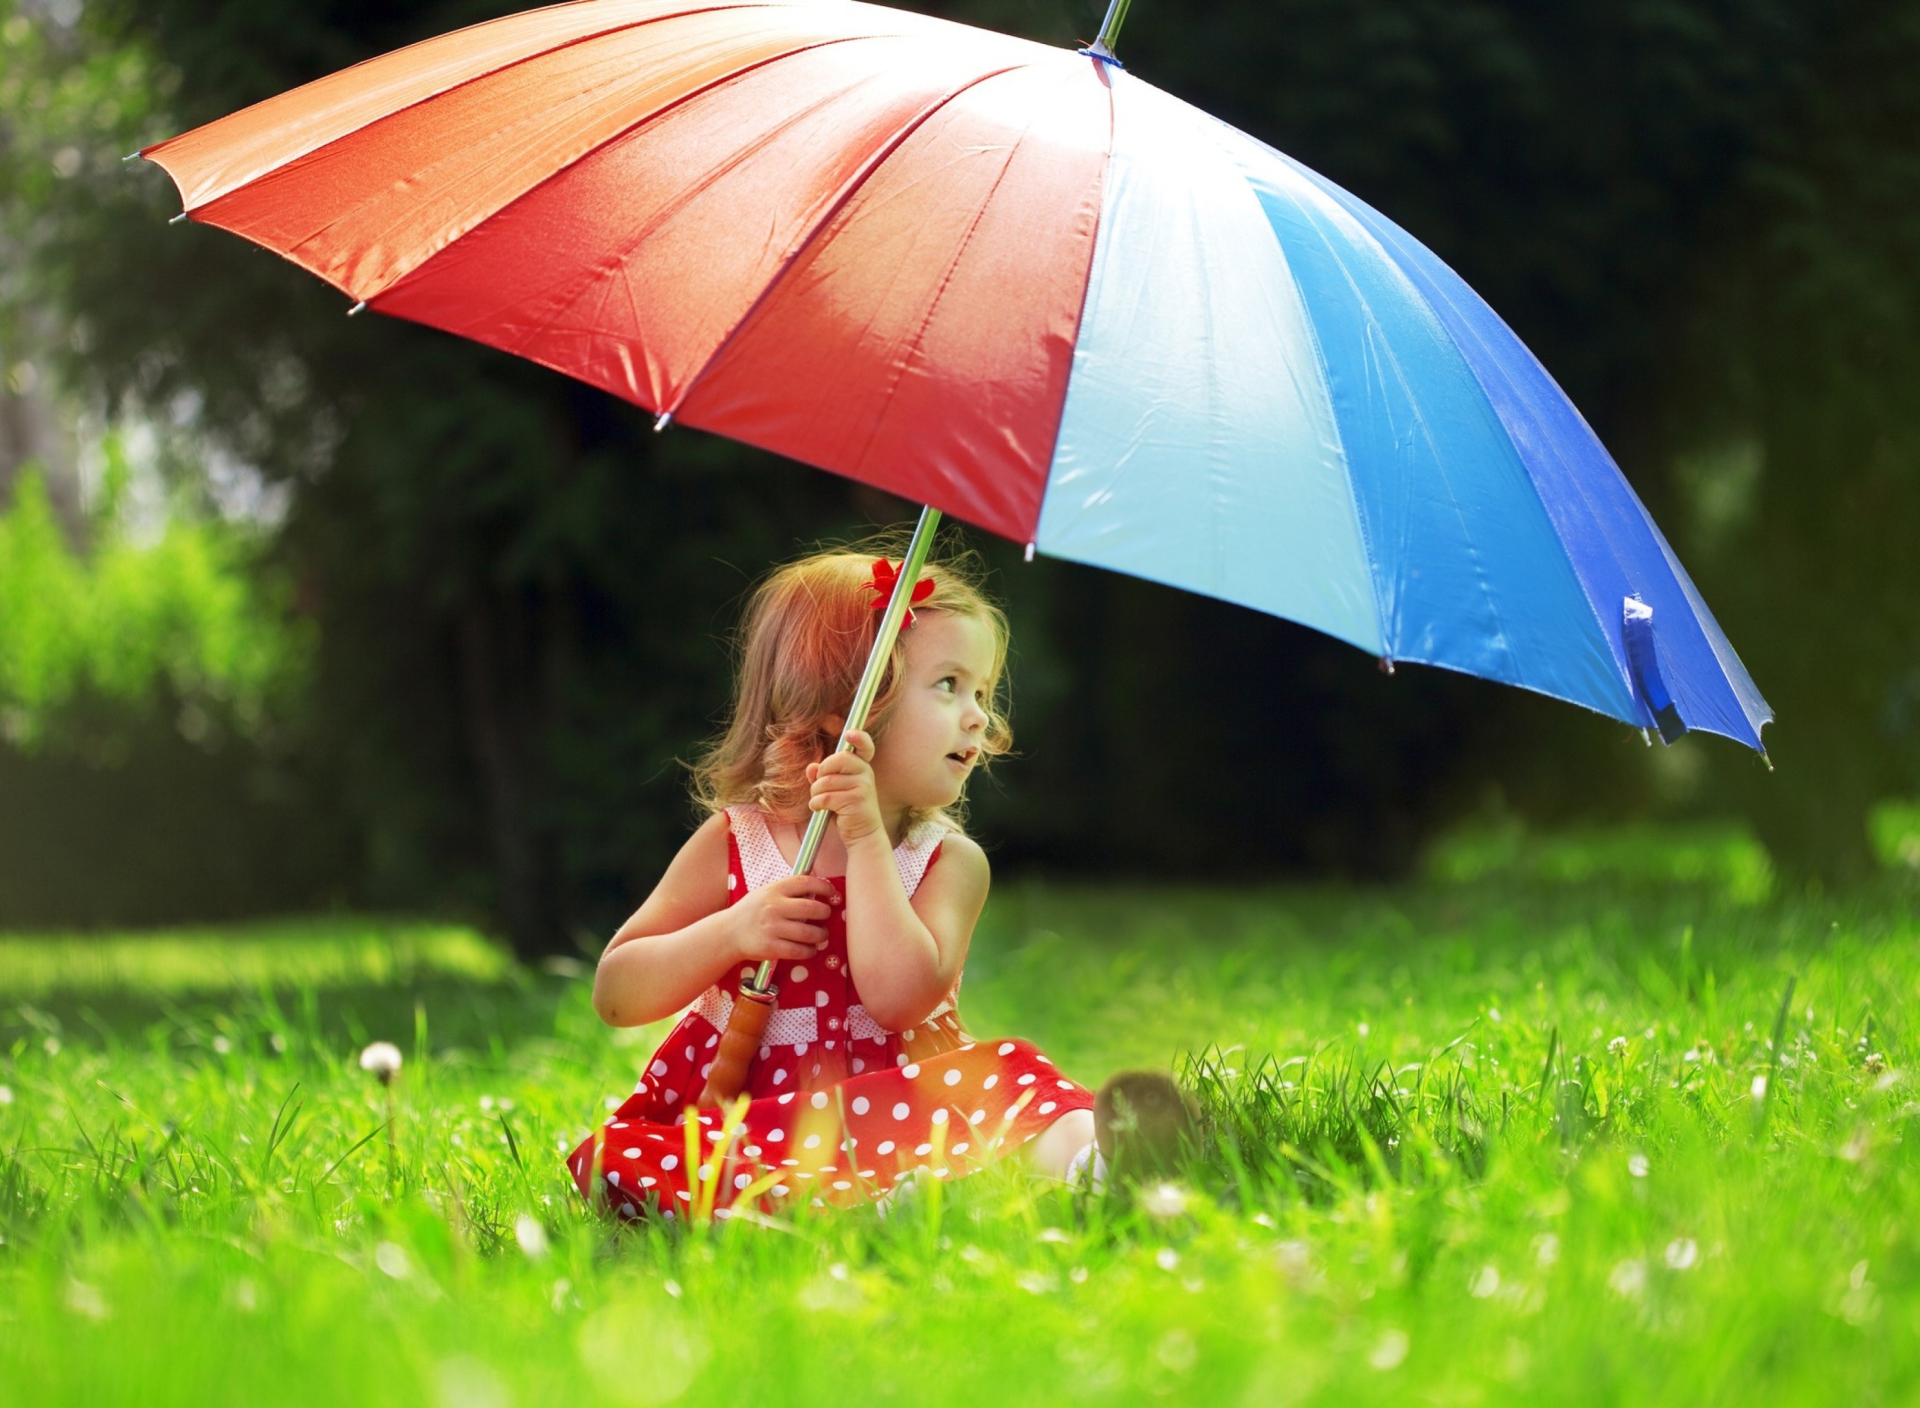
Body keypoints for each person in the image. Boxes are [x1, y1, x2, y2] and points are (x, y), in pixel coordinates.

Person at [569, 542, 1137, 1220]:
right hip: (760, 1125)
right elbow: (617, 993)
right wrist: (733, 930)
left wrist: (867, 840)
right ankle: (844, 1208)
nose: (979, 715)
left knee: (1013, 1077)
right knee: (639, 1157)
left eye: (982, 691)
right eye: (949, 685)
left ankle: (1095, 1165)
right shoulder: (738, 844)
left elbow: (898, 999)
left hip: (903, 1113)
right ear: (845, 706)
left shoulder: (946, 861)